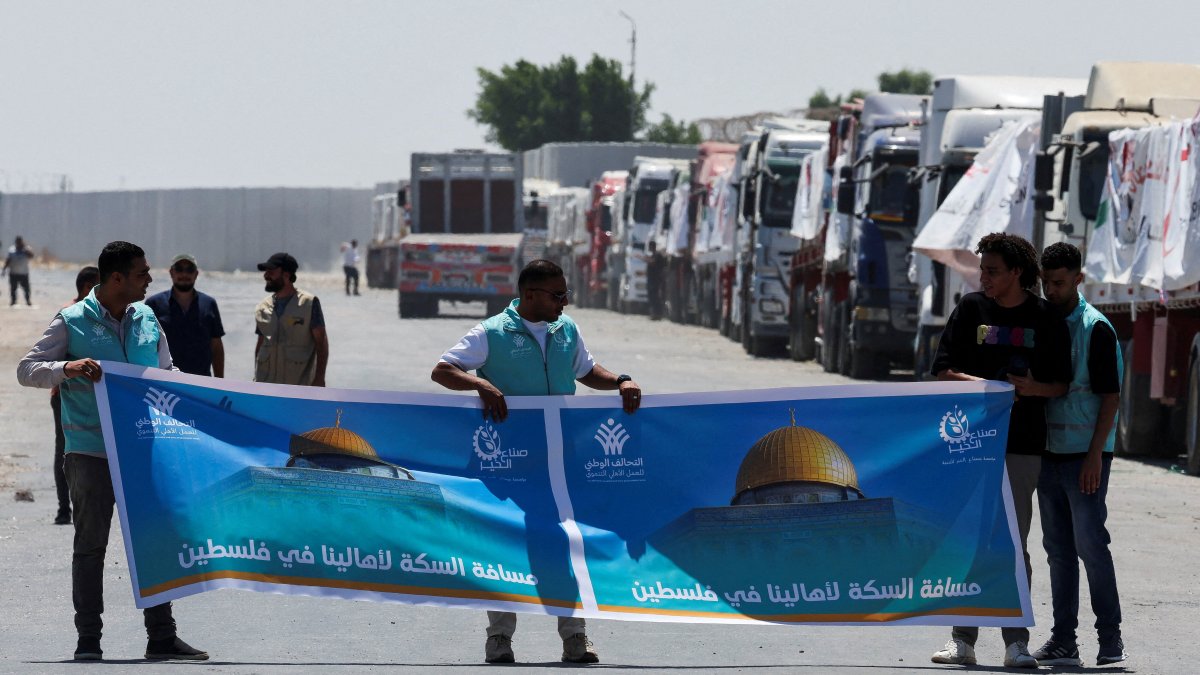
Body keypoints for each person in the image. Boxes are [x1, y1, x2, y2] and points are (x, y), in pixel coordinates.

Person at [431, 259, 642, 665]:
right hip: (507, 463)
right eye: (558, 294)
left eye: (565, 293)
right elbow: (444, 370)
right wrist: (481, 383)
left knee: (566, 543)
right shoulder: (491, 332)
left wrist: (621, 381)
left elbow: (586, 371)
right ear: (531, 295)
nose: (565, 300)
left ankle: (575, 637)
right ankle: (499, 639)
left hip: (561, 459)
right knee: (503, 544)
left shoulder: (567, 330)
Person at [16, 241, 208, 662]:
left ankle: (162, 637)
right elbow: (26, 369)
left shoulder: (145, 317)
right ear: (116, 278)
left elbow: (166, 371)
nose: (150, 280)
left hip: (143, 450)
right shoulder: (71, 321)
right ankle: (89, 640)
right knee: (91, 546)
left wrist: (201, 395)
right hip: (90, 453)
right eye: (142, 273)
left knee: (153, 542)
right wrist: (68, 368)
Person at [928, 233, 1071, 669]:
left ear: (1017, 273)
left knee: (1012, 543)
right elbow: (941, 371)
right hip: (968, 444)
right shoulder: (971, 308)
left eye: (992, 270)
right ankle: (962, 640)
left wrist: (1029, 389)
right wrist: (988, 389)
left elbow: (1061, 385)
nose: (984, 278)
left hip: (1022, 446)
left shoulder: (1046, 318)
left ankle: (1016, 643)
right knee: (968, 539)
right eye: (982, 270)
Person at [1031, 242, 1126, 667]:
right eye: (1047, 282)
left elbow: (1110, 398)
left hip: (1084, 459)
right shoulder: (1044, 321)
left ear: (1078, 279)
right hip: (1048, 456)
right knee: (1058, 551)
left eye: (1060, 283)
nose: (1052, 290)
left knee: (1091, 545)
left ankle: (1110, 639)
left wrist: (1093, 458)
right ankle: (1063, 640)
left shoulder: (1095, 328)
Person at [49, 266, 101, 525]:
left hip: (95, 397)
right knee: (66, 451)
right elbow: (48, 363)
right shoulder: (69, 317)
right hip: (65, 397)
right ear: (86, 288)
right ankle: (63, 507)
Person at [253, 252, 328, 386]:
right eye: (266, 272)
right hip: (266, 389)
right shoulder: (262, 308)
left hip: (298, 390)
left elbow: (321, 344)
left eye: (271, 271)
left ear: (286, 275)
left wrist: (319, 378)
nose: (266, 275)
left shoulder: (309, 304)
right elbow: (260, 346)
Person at [144, 254, 226, 377]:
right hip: (166, 382)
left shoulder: (209, 303)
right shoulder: (154, 304)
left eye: (189, 270)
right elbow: (145, 346)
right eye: (179, 269)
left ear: (196, 274)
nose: (184, 274)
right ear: (171, 272)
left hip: (201, 381)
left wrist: (220, 382)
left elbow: (216, 346)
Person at [5, 235, 35, 306]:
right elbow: (8, 260)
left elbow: (32, 256)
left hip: (24, 273)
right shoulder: (12, 250)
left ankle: (28, 301)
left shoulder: (26, 249)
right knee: (13, 289)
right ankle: (13, 301)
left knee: (26, 289)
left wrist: (25, 250)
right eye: (17, 242)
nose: (18, 243)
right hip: (13, 273)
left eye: (20, 242)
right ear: (16, 242)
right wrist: (4, 269)